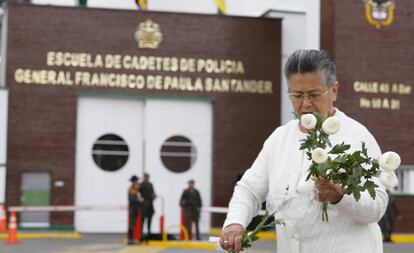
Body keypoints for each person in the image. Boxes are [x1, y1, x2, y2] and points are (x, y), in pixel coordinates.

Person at [219, 49, 388, 253]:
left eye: (314, 95)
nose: (306, 103)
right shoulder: (279, 139)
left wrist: (341, 197)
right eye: (297, 95)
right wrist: (235, 222)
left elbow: (377, 206)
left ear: (334, 90)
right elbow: (249, 189)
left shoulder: (357, 137)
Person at [127, 175, 144, 244]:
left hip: (137, 208)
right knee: (132, 224)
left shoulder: (137, 189)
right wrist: (139, 200)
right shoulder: (130, 189)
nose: (137, 182)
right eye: (136, 181)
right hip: (133, 208)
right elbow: (131, 200)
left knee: (136, 224)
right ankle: (130, 239)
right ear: (133, 181)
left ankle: (136, 238)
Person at [140, 173, 156, 237]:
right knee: (143, 219)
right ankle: (141, 232)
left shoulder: (150, 184)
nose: (146, 178)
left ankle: (149, 232)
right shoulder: (141, 185)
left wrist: (153, 196)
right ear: (144, 177)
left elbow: (152, 192)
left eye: (147, 177)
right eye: (145, 177)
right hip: (144, 204)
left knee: (150, 218)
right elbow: (139, 193)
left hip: (150, 203)